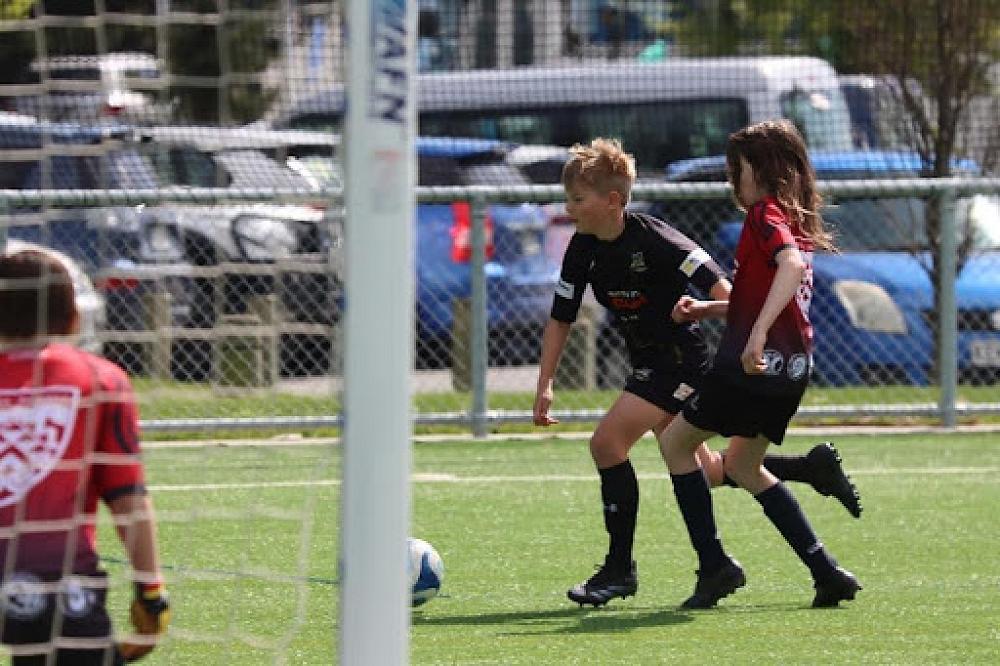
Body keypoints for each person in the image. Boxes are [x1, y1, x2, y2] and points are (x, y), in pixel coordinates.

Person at [534, 138, 860, 608]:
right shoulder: (582, 248)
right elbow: (561, 317)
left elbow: (729, 292)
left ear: (612, 200)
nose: (569, 208)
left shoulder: (661, 241)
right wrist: (544, 383)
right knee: (710, 471)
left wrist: (724, 316)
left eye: (578, 199)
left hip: (681, 363)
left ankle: (623, 569)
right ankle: (806, 471)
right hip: (650, 365)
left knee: (607, 444)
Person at [657, 120, 863, 610]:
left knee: (676, 443)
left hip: (751, 367)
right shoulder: (793, 218)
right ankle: (827, 572)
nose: (734, 178)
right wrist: (709, 309)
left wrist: (756, 334)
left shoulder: (764, 215)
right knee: (743, 466)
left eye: (740, 167)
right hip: (792, 370)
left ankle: (714, 566)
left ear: (764, 169)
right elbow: (772, 291)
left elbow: (790, 268)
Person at [0, 248, 170, 664]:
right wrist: (151, 591)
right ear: (73, 315)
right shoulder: (100, 380)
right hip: (59, 583)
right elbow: (128, 499)